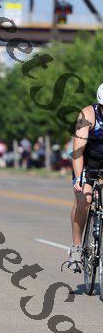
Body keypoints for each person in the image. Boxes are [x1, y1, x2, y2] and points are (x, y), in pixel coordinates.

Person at [65, 83, 103, 271]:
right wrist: (78, 178)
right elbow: (78, 151)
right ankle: (76, 247)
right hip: (87, 162)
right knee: (84, 200)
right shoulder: (87, 115)